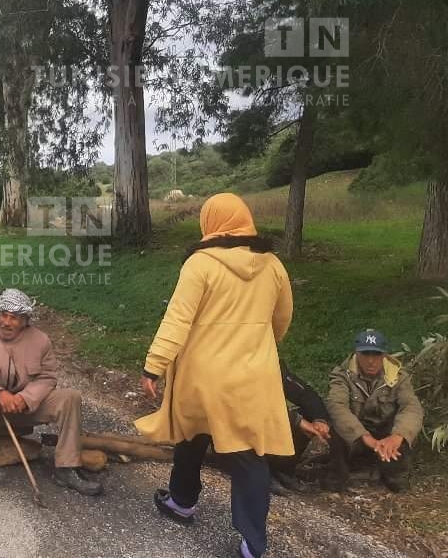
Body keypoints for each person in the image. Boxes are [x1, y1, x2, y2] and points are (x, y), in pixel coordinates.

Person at [136, 193, 294, 558]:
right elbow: (282, 318)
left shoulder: (200, 264)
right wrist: (260, 343)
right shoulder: (272, 265)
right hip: (254, 376)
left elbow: (178, 318)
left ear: (212, 222)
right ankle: (253, 543)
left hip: (203, 374)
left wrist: (153, 365)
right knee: (250, 454)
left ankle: (182, 502)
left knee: (192, 435)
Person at [0, 289, 103, 502]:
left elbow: (48, 377)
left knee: (70, 397)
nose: (6, 321)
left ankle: (67, 468)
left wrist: (25, 398)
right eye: (3, 314)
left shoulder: (41, 341)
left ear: (25, 320)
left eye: (13, 318)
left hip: (26, 408)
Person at [323, 329, 424, 493]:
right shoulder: (342, 375)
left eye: (376, 355)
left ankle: (394, 473)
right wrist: (364, 437)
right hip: (357, 433)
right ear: (356, 354)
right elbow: (337, 406)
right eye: (365, 354)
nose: (371, 361)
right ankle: (337, 474)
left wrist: (397, 436)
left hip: (386, 434)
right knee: (337, 424)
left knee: (405, 428)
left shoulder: (398, 376)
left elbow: (411, 407)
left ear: (384, 355)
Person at [268, 361, 332, 495]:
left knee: (309, 413)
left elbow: (304, 393)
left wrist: (319, 420)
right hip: (232, 425)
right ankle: (260, 472)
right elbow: (255, 403)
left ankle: (282, 469)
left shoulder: (270, 360)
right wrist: (297, 421)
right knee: (259, 417)